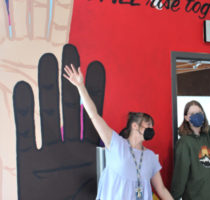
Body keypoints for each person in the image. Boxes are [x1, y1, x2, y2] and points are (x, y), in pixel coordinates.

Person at [63, 64, 173, 200]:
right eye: (148, 125)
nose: (151, 128)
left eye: (152, 125)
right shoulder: (116, 144)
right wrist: (80, 86)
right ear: (135, 126)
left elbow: (161, 190)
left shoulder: (150, 157)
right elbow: (94, 115)